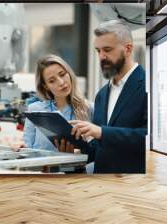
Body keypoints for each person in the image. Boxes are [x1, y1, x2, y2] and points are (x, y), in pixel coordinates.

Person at [59, 20, 147, 173]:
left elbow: (149, 139)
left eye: (107, 50)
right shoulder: (102, 94)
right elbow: (100, 148)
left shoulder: (147, 84)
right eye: (98, 51)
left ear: (127, 49)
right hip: (102, 185)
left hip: (134, 186)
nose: (101, 57)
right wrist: (75, 151)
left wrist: (101, 132)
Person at [14, 54, 93, 153]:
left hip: (76, 168)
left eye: (62, 74)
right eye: (52, 81)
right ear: (46, 86)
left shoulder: (89, 108)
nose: (61, 82)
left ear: (69, 73)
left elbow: (95, 151)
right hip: (39, 167)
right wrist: (21, 147)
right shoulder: (35, 110)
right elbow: (27, 146)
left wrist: (77, 153)